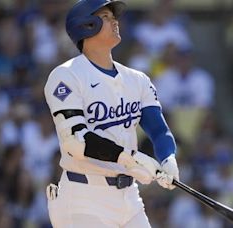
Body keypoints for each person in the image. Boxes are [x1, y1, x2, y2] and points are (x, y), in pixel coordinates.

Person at [43, 0, 179, 227]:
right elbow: (76, 142)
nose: (115, 21)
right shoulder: (66, 76)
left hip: (129, 197)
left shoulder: (137, 79)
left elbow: (158, 129)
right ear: (86, 25)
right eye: (105, 17)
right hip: (83, 197)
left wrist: (168, 158)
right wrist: (131, 158)